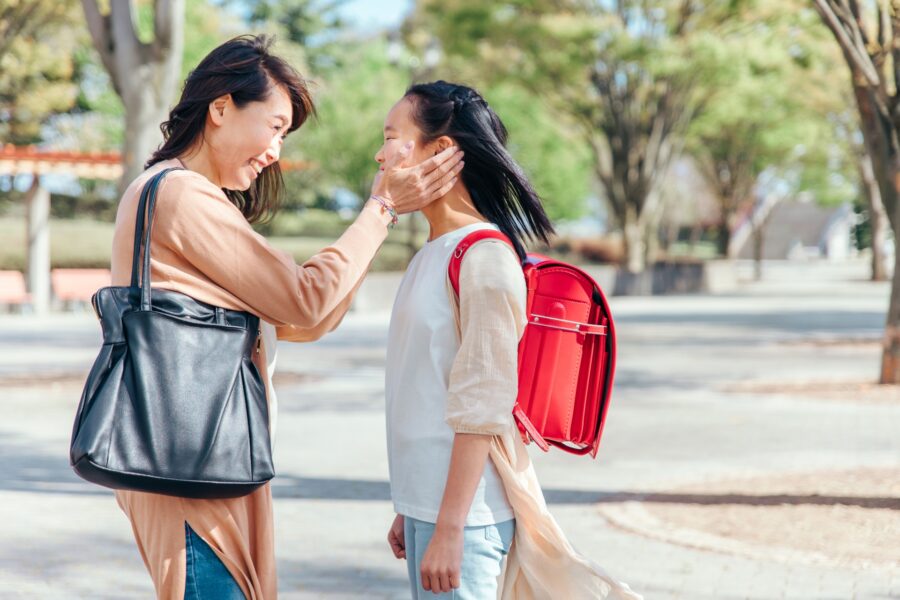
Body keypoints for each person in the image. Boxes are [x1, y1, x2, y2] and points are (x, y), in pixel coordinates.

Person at [109, 36, 462, 599]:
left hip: (204, 454)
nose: (275, 149)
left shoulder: (185, 195)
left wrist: (375, 224)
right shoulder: (179, 194)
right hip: (192, 462)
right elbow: (304, 301)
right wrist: (383, 209)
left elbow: (306, 319)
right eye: (274, 125)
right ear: (220, 108)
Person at [379, 81, 641, 599]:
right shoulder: (431, 253)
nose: (379, 152)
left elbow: (483, 404)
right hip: (429, 508)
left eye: (392, 136)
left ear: (442, 151)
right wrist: (410, 506)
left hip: (467, 519)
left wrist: (451, 527)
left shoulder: (484, 259)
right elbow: (424, 390)